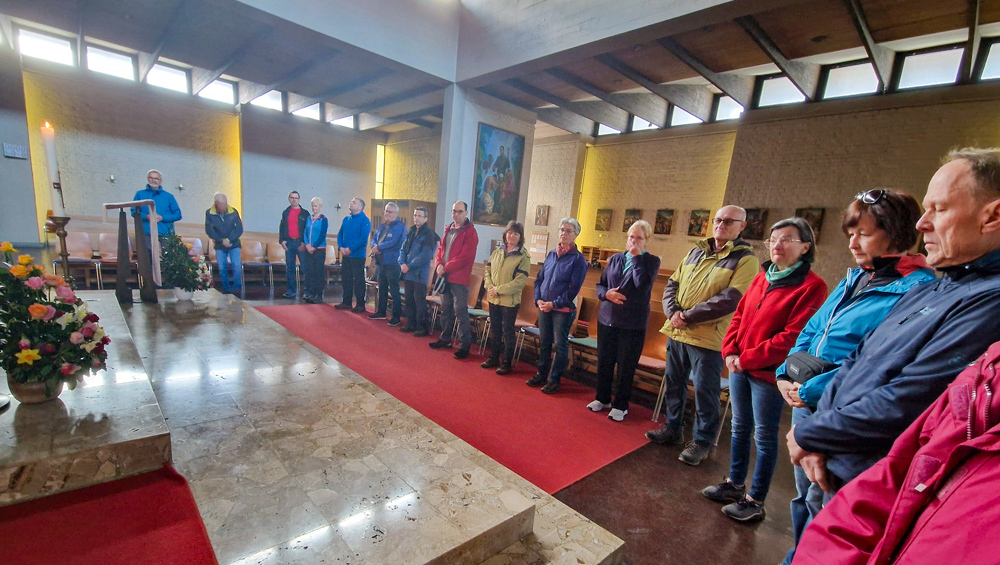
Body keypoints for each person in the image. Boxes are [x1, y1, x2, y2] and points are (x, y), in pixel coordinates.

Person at [787, 148, 1000, 509]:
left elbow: (911, 398)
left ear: (992, 216)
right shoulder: (937, 287)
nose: (922, 224)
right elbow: (858, 359)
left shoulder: (987, 300)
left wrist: (811, 432)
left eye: (939, 209)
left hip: (870, 478)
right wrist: (817, 432)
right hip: (832, 450)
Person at [775, 189, 934, 565]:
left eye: (863, 233)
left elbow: (875, 366)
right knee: (804, 496)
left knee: (826, 506)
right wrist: (784, 373)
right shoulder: (857, 278)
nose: (852, 242)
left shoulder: (916, 289)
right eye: (850, 233)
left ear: (894, 232)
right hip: (805, 403)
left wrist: (809, 388)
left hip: (844, 413)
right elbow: (812, 330)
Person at [792, 340, 1000, 565]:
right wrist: (812, 429)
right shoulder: (989, 372)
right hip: (834, 453)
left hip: (848, 451)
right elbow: (897, 472)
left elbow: (905, 397)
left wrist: (814, 431)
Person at [701, 218, 827, 523]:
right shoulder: (763, 277)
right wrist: (730, 351)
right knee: (739, 427)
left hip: (769, 373)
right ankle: (735, 484)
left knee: (765, 436)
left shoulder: (812, 287)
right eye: (773, 239)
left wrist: (746, 359)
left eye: (786, 239)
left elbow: (792, 337)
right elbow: (739, 316)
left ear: (805, 247)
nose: (777, 245)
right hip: (740, 366)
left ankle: (755, 499)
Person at [646, 205, 760, 466]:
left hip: (708, 338)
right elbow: (673, 283)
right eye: (718, 220)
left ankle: (701, 441)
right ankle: (673, 428)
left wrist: (687, 316)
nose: (721, 225)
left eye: (728, 221)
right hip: (678, 332)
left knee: (705, 392)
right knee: (674, 383)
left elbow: (731, 298)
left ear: (742, 226)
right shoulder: (696, 251)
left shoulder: (745, 259)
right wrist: (673, 312)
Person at [588, 220, 660, 421]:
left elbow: (642, 286)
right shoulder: (615, 259)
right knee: (605, 361)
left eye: (639, 238)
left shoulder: (651, 261)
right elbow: (600, 285)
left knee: (626, 366)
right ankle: (602, 398)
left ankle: (621, 405)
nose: (633, 241)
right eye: (631, 237)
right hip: (607, 318)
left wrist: (636, 259)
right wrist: (606, 294)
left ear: (646, 240)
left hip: (632, 322)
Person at [526, 218, 588, 394]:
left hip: (563, 310)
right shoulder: (552, 254)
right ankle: (541, 375)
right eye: (562, 229)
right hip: (544, 306)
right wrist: (538, 299)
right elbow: (540, 279)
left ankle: (554, 380)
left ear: (576, 235)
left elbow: (573, 289)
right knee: (545, 343)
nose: (563, 233)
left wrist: (553, 304)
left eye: (568, 231)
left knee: (560, 345)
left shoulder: (578, 259)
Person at [429, 201, 479, 359]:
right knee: (445, 309)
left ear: (466, 213)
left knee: (460, 311)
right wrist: (438, 264)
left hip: (459, 278)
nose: (456, 214)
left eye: (459, 211)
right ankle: (445, 339)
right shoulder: (448, 229)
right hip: (445, 277)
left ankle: (464, 345)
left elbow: (465, 257)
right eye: (454, 211)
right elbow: (440, 250)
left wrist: (446, 267)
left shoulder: (470, 232)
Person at [482, 221, 531, 375]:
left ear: (520, 237)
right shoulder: (497, 252)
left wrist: (499, 290)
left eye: (516, 233)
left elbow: (519, 282)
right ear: (505, 234)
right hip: (494, 298)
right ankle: (494, 358)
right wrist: (490, 287)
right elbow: (487, 271)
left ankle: (506, 363)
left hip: (509, 301)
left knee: (508, 332)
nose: (512, 236)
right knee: (495, 330)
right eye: (510, 232)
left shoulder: (523, 256)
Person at [399, 206, 439, 337]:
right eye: (415, 215)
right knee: (409, 300)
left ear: (426, 218)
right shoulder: (411, 231)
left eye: (420, 216)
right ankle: (411, 324)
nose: (416, 218)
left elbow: (425, 255)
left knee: (419, 301)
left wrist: (409, 265)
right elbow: (403, 249)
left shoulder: (429, 235)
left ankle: (422, 327)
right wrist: (402, 263)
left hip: (420, 274)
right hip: (408, 272)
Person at [132, 169, 182, 262]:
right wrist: (146, 216)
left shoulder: (168, 196)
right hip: (147, 231)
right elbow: (134, 212)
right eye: (151, 178)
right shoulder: (140, 194)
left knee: (169, 259)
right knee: (147, 259)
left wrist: (163, 218)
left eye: (156, 178)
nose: (153, 180)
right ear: (147, 179)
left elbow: (178, 215)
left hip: (166, 232)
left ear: (160, 181)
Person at [369, 202, 406, 326]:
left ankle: (396, 316)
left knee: (394, 290)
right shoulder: (382, 226)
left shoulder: (400, 227)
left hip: (393, 262)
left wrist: (379, 247)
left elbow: (395, 242)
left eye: (390, 212)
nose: (387, 214)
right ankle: (381, 311)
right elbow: (374, 238)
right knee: (382, 288)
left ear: (396, 213)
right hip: (381, 262)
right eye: (386, 211)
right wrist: (374, 246)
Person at [335, 198, 371, 312]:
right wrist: (341, 247)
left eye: (354, 202)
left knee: (358, 280)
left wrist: (350, 248)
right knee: (346, 279)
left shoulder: (365, 220)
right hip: (346, 255)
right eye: (351, 201)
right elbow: (340, 234)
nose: (351, 203)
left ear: (360, 207)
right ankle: (346, 302)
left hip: (358, 255)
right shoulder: (346, 219)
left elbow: (363, 238)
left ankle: (360, 304)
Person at [204, 192, 244, 294]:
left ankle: (237, 289)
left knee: (237, 266)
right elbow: (209, 230)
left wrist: (229, 239)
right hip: (219, 245)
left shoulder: (233, 212)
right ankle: (226, 289)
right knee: (222, 268)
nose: (224, 206)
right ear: (216, 203)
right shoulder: (210, 213)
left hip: (234, 244)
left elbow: (239, 229)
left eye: (225, 203)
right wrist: (222, 240)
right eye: (221, 204)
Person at [278, 191, 308, 299]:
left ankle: (307, 291)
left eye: (296, 198)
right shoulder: (285, 212)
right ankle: (291, 290)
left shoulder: (305, 213)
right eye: (292, 197)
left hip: (300, 243)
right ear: (289, 199)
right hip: (289, 243)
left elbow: (307, 229)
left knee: (305, 268)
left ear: (299, 200)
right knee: (290, 268)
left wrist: (305, 242)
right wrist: (282, 240)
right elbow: (282, 227)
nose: (294, 200)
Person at [302, 197, 329, 304]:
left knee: (318, 272)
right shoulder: (309, 218)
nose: (314, 208)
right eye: (312, 206)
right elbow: (305, 233)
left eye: (316, 206)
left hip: (319, 250)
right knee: (310, 272)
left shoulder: (323, 219)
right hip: (308, 249)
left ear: (320, 207)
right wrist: (308, 245)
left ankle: (319, 295)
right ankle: (311, 293)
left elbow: (322, 235)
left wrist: (314, 247)